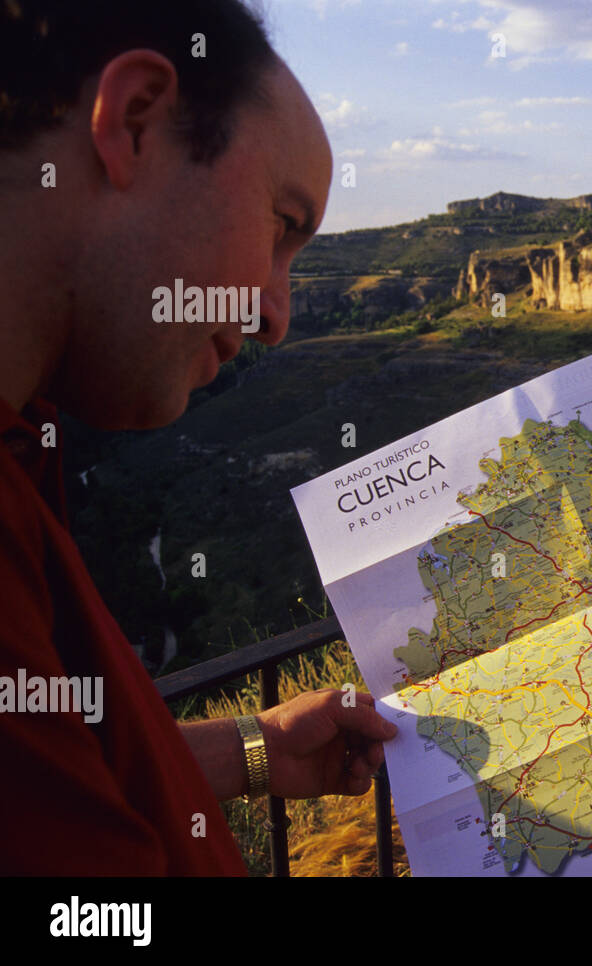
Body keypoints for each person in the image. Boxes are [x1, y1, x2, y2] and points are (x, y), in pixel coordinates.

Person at [0, 1, 397, 874]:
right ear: (135, 121)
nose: (277, 316)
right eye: (283, 226)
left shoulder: (27, 444)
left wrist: (254, 749)